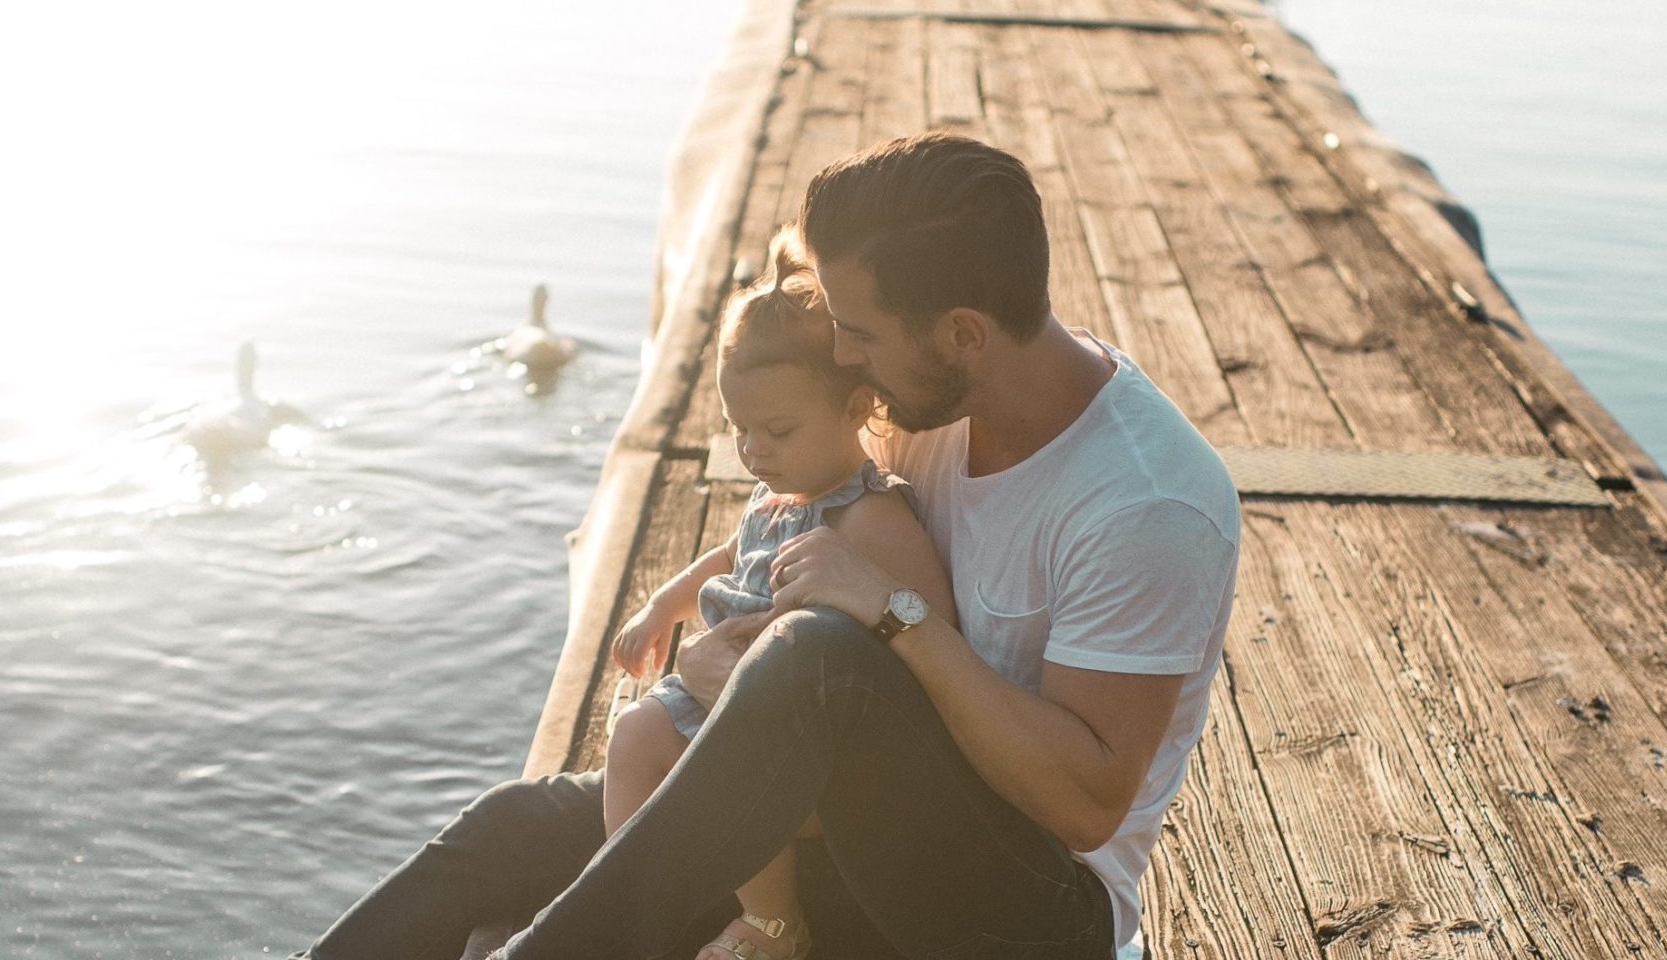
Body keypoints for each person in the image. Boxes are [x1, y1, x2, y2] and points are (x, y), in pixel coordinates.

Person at [289, 132, 1239, 960]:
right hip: (848, 824)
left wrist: (895, 616)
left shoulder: (1145, 504)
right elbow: (801, 525)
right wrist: (720, 657)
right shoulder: (931, 401)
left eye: (858, 334)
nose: (842, 361)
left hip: (1025, 914)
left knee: (817, 658)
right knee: (514, 831)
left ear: (962, 335)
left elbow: (1083, 804)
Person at [603, 227, 956, 960]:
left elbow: (932, 629)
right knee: (632, 735)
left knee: (729, 769)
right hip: (721, 685)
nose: (754, 451)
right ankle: (631, 899)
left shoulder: (869, 515)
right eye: (738, 431)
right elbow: (726, 557)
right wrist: (660, 607)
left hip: (800, 725)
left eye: (778, 429)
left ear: (859, 408)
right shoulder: (776, 498)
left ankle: (773, 921)